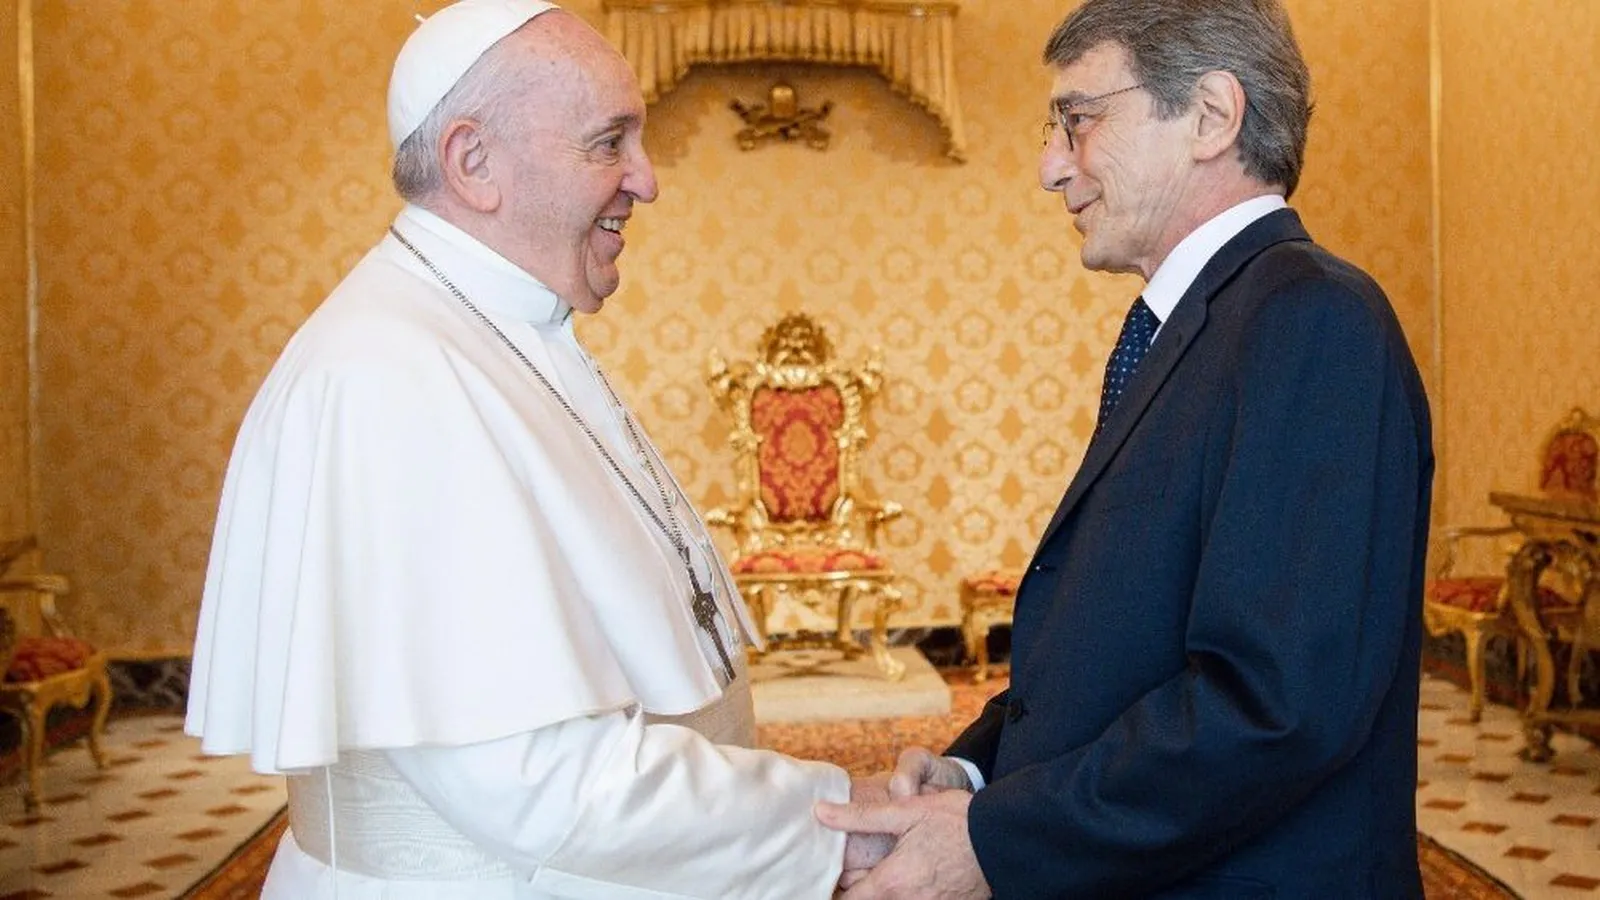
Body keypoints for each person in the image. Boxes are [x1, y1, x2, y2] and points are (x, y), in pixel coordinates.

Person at [185, 2, 880, 896]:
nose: (647, 180)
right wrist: (838, 822)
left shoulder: (497, 333)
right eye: (609, 143)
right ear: (474, 162)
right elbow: (540, 785)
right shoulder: (392, 376)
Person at [819, 0, 1435, 896]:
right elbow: (1119, 645)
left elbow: (1274, 705)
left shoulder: (1314, 320)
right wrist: (975, 775)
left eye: (1079, 119)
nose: (1050, 167)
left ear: (1211, 116)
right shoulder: (1203, 323)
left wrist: (998, 841)